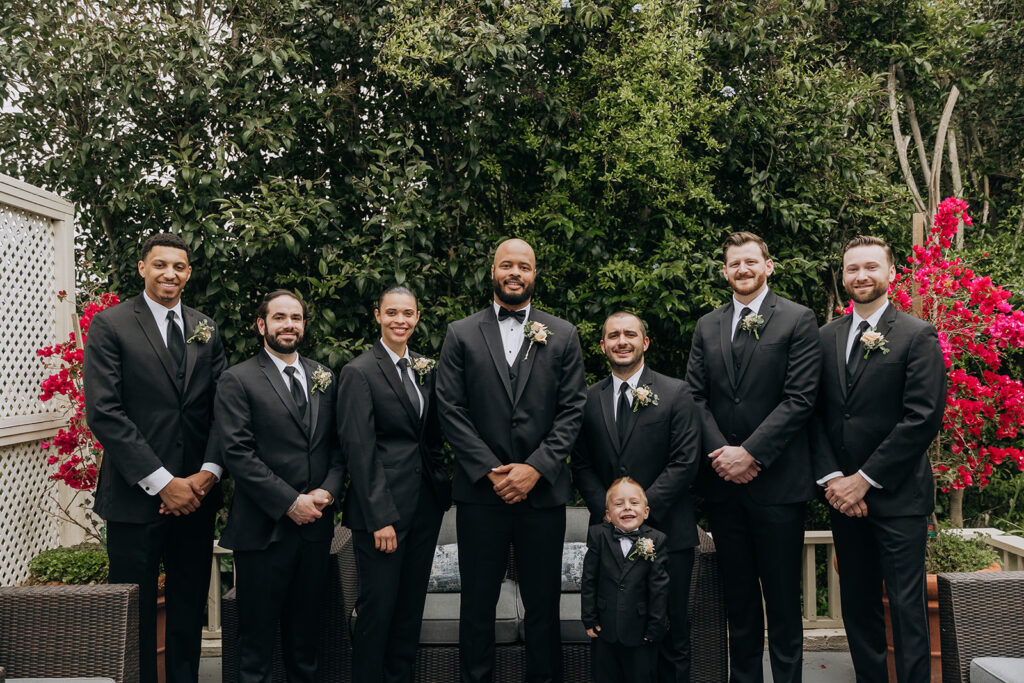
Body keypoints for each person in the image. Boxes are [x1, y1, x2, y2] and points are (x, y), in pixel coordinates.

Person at [436, 238, 587, 683]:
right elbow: (450, 408)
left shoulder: (564, 334)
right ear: (493, 272)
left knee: (544, 604)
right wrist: (491, 470)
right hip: (482, 495)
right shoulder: (460, 333)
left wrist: (535, 468)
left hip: (543, 495)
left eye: (524, 265)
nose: (515, 272)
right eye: (507, 265)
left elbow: (572, 409)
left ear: (535, 273)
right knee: (477, 603)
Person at [83, 232, 227, 683]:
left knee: (188, 607)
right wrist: (165, 482)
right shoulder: (111, 324)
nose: (171, 273)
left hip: (196, 498)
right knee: (133, 613)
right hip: (134, 497)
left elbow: (225, 410)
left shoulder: (206, 327)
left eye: (180, 266)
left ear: (188, 273)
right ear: (142, 268)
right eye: (161, 264)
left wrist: (205, 475)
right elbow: (104, 413)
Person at [685, 231, 822, 683]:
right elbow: (695, 398)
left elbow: (800, 398)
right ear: (724, 271)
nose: (742, 270)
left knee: (783, 602)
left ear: (769, 265)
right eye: (733, 264)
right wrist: (724, 456)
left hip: (778, 486)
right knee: (738, 602)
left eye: (750, 262)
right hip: (724, 486)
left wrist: (752, 454)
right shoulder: (707, 325)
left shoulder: (798, 319)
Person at [814, 236, 946, 682]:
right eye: (853, 269)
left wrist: (863, 480)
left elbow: (922, 418)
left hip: (898, 498)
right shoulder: (823, 337)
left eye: (871, 267)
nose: (861, 276)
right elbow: (814, 416)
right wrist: (835, 479)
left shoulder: (917, 334)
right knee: (858, 604)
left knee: (907, 609)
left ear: (891, 273)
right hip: (843, 500)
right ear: (843, 275)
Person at [214, 290, 345, 683]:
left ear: (304, 324)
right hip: (263, 532)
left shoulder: (324, 376)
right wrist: (290, 502)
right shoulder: (237, 379)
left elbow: (338, 447)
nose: (289, 324)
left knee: (307, 641)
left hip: (315, 530)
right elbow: (238, 454)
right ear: (261, 325)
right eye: (280, 317)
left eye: (297, 318)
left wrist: (328, 491)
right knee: (256, 644)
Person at [572, 311, 701, 681]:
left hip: (669, 534)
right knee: (617, 637)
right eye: (613, 335)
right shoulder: (587, 399)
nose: (621, 341)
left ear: (645, 342)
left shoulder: (676, 393)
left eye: (630, 334)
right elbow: (580, 465)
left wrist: (641, 512)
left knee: (673, 633)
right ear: (602, 346)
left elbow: (685, 461)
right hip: (609, 542)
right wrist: (612, 514)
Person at [337, 286, 452, 682]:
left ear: (417, 318)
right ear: (377, 316)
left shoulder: (425, 367)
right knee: (377, 610)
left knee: (408, 611)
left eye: (407, 313)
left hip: (424, 507)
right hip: (382, 513)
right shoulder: (359, 371)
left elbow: (430, 437)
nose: (400, 320)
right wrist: (379, 516)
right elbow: (359, 449)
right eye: (392, 313)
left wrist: (439, 487)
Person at [581, 477, 670, 683]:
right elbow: (589, 579)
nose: (627, 508)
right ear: (608, 515)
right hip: (605, 627)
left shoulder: (656, 540)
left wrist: (656, 627)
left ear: (646, 512)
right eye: (618, 504)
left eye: (634, 503)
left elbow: (659, 587)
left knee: (641, 676)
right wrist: (589, 618)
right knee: (604, 676)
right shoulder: (597, 536)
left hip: (640, 630)